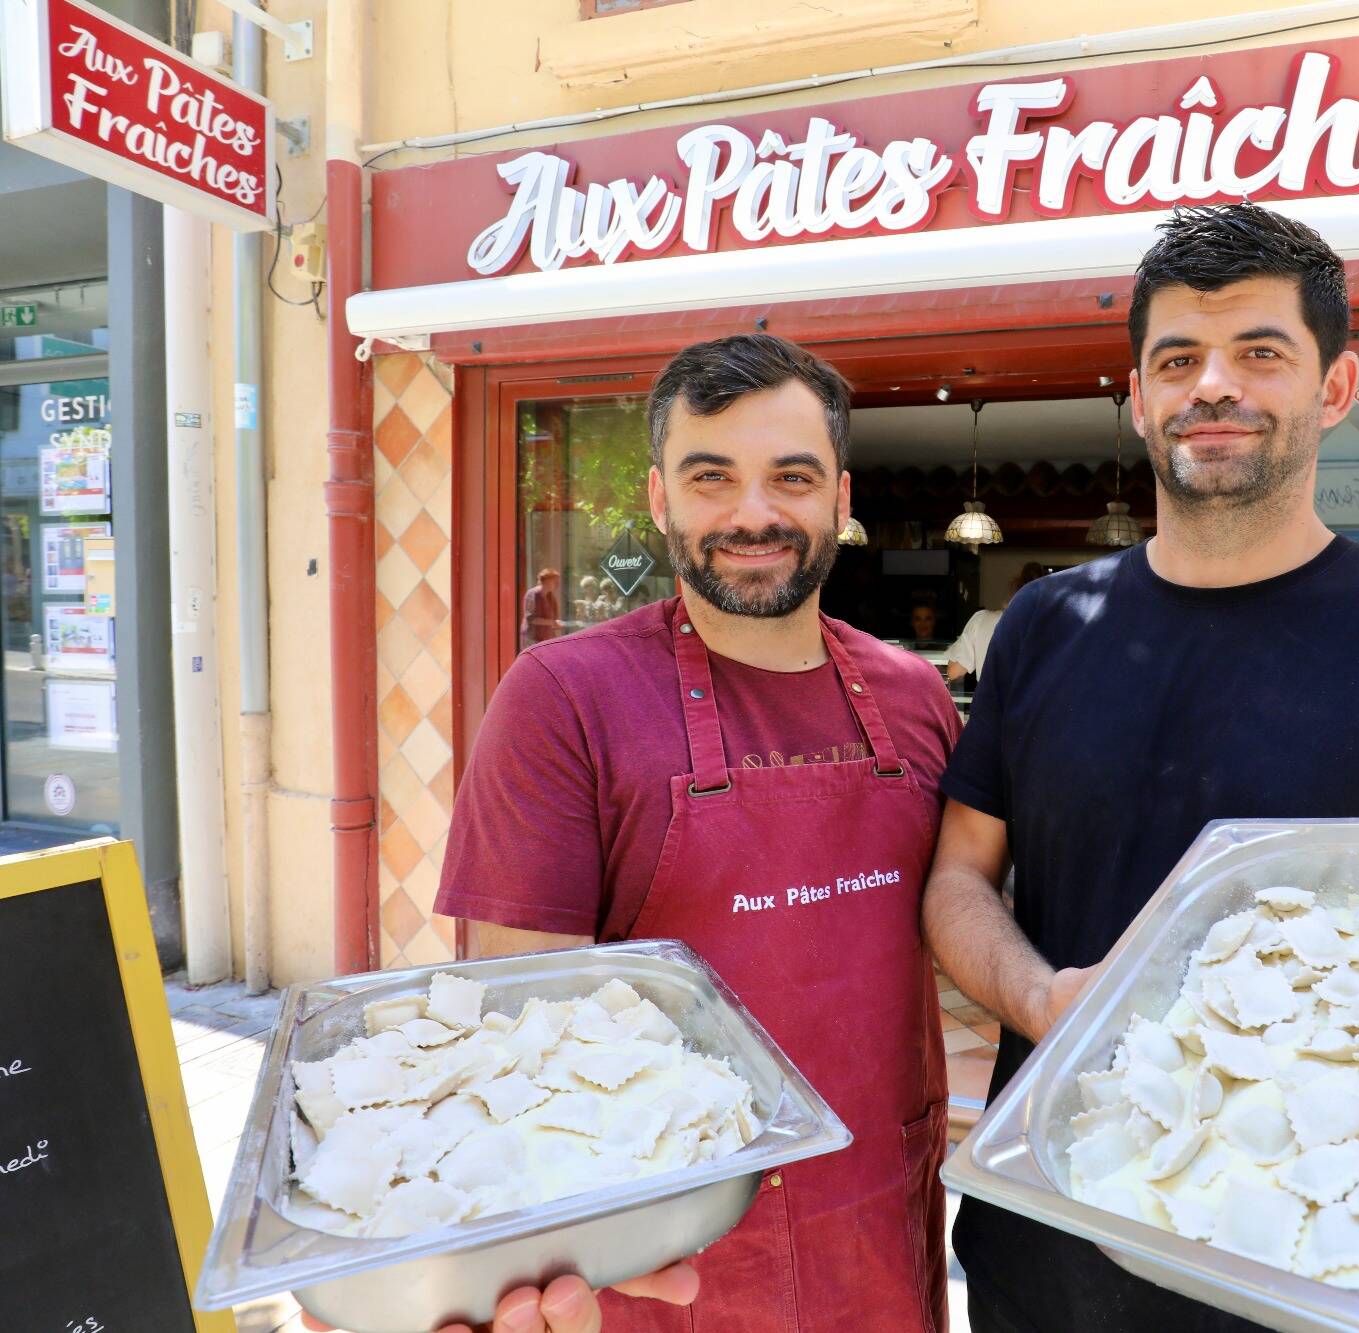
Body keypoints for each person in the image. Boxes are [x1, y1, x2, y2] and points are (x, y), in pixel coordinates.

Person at [922, 204, 1359, 1333]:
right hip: (1049, 1243)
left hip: (1310, 1256)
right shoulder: (1045, 625)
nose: (1213, 385)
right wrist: (1039, 999)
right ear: (1138, 397)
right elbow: (958, 876)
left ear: (1337, 386)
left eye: (1259, 352)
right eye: (1176, 360)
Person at [306, 334, 960, 1333]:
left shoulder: (915, 695)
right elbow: (514, 1039)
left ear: (840, 496)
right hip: (665, 1258)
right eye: (712, 478)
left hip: (878, 1232)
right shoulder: (565, 698)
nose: (753, 513)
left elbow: (952, 938)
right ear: (658, 498)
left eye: (792, 476)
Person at [944, 562, 1047, 684]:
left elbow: (954, 671)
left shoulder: (982, 620)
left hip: (992, 701)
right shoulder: (1052, 628)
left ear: (1016, 591)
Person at [521, 566, 564, 645]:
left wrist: (556, 624)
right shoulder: (532, 595)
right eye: (555, 581)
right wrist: (551, 622)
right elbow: (531, 619)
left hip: (545, 639)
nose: (557, 585)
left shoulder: (551, 597)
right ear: (547, 581)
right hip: (532, 639)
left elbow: (553, 620)